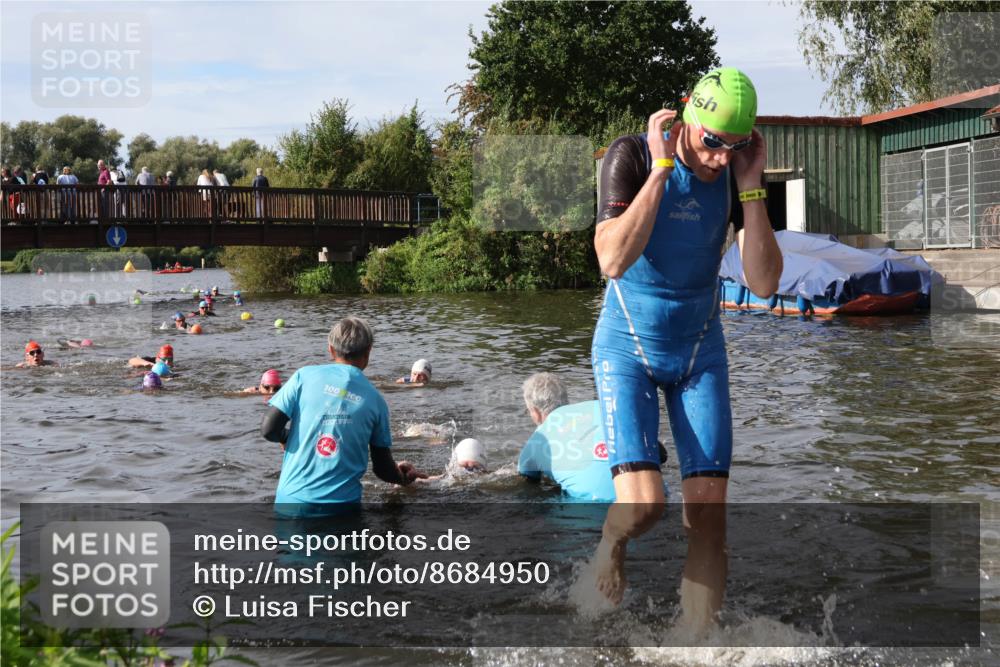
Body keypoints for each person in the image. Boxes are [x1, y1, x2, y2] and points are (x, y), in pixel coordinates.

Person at [589, 67, 782, 632]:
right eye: (712, 142)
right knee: (645, 505)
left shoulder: (733, 177)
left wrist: (750, 188)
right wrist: (663, 169)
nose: (721, 157)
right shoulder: (633, 156)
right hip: (626, 349)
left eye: (737, 144)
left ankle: (697, 643)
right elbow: (611, 260)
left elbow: (765, 283)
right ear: (686, 116)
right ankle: (611, 540)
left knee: (708, 517)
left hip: (700, 354)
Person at [260, 316, 426, 515]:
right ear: (369, 351)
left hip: (291, 504)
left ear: (331, 349)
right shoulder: (376, 400)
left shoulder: (302, 377)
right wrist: (402, 477)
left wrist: (287, 438)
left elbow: (269, 429)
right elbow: (382, 468)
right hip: (341, 510)